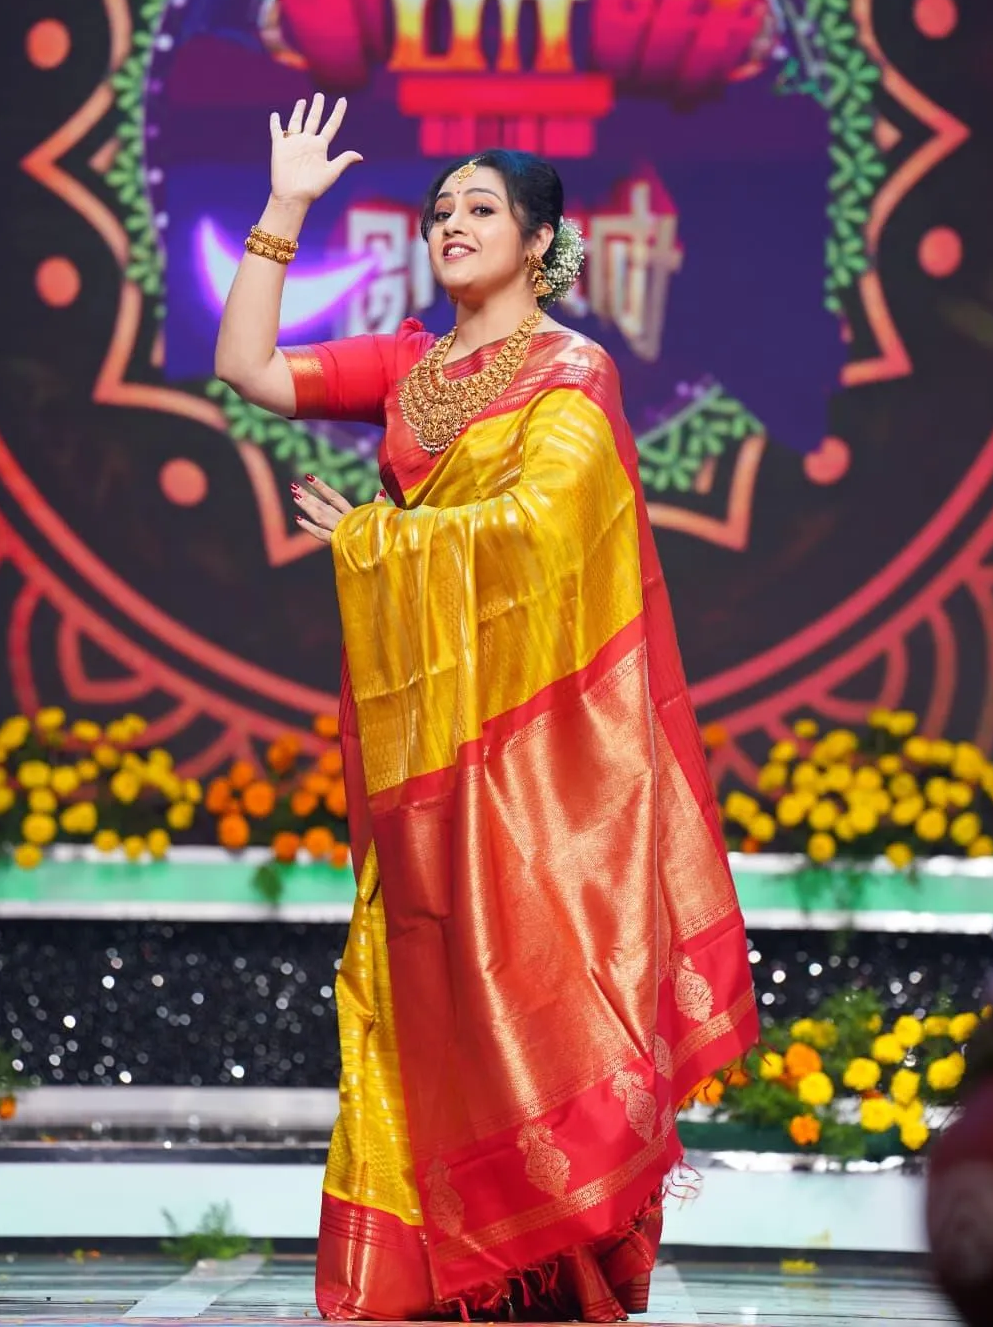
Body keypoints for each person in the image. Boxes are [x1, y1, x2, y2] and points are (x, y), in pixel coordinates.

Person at [215, 93, 758, 1322]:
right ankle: (422, 1281)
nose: (450, 224)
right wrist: (286, 207)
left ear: (544, 242)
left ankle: (544, 1271)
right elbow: (245, 367)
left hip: (542, 768)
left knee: (534, 987)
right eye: (439, 209)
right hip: (431, 767)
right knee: (419, 992)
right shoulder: (412, 372)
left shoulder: (575, 372)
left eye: (480, 208)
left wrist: (377, 540)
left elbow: (543, 535)